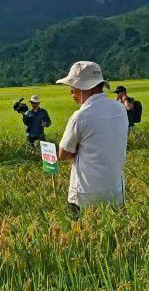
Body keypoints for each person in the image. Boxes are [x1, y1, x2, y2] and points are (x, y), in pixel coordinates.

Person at [55, 61, 128, 216]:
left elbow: (63, 154)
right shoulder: (120, 109)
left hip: (86, 195)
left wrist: (77, 151)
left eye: (72, 87)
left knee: (83, 235)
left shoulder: (80, 117)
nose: (71, 92)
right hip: (116, 190)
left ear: (83, 87)